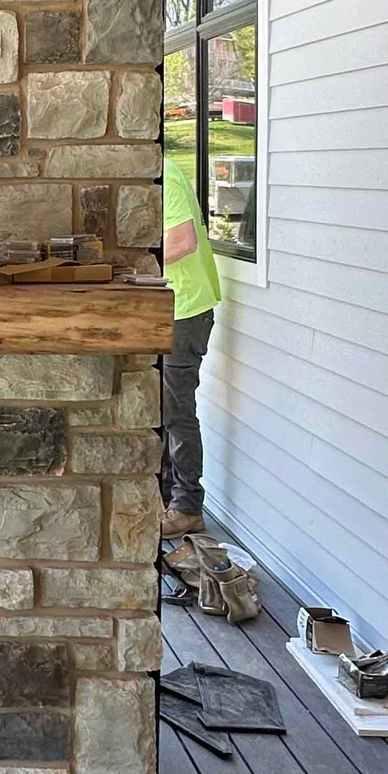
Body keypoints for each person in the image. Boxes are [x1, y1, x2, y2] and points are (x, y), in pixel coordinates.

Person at [161, 152, 222, 536]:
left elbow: (183, 241)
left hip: (185, 309)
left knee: (175, 411)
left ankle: (187, 507)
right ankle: (168, 500)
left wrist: (139, 262)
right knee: (163, 410)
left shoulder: (164, 174)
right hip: (168, 307)